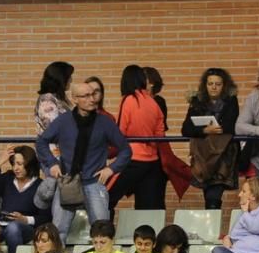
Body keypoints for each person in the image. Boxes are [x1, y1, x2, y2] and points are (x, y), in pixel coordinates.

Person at [36, 81, 132, 234]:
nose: (92, 99)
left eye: (93, 94)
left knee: (102, 231)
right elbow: (41, 142)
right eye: (86, 96)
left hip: (95, 183)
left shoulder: (105, 122)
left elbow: (126, 151)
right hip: (67, 182)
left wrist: (111, 169)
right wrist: (52, 163)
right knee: (59, 231)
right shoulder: (63, 121)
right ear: (74, 99)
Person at [107, 65, 169, 211]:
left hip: (132, 157)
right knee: (147, 206)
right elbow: (160, 133)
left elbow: (120, 131)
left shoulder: (128, 100)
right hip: (152, 160)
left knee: (105, 197)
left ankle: (103, 232)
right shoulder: (153, 102)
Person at [182, 67, 240, 209]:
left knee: (213, 196)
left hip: (223, 155)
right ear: (205, 85)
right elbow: (186, 129)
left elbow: (231, 125)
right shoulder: (197, 101)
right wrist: (205, 130)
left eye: (218, 84)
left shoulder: (231, 101)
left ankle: (212, 220)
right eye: (210, 83)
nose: (213, 87)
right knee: (208, 194)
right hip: (203, 154)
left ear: (224, 86)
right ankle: (211, 220)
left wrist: (216, 130)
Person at [0, 145, 47, 253]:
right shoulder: (8, 179)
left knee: (13, 228)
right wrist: (1, 160)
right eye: (14, 164)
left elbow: (45, 217)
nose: (16, 168)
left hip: (27, 228)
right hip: (3, 222)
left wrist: (25, 219)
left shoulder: (40, 185)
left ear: (30, 164)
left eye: (20, 164)